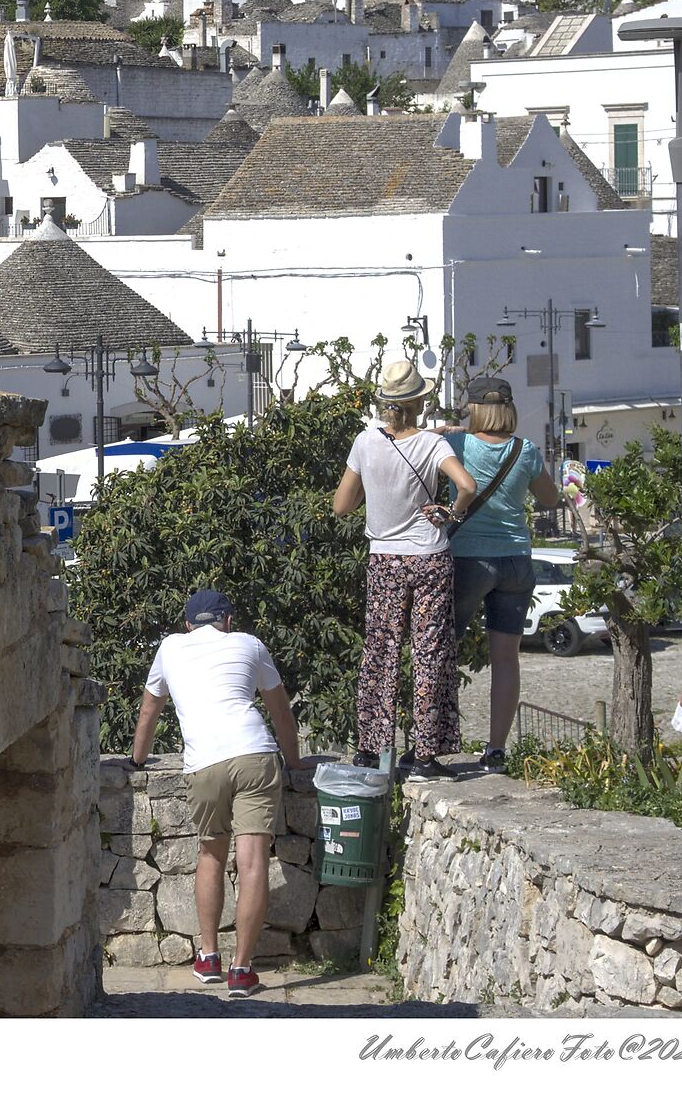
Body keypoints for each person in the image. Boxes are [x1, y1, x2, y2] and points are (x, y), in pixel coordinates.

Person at [130, 588, 305, 1001]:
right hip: (254, 754)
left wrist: (137, 759)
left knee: (210, 854)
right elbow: (280, 711)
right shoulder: (249, 644)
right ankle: (242, 970)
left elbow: (149, 709)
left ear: (188, 625)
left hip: (204, 763)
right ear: (228, 621)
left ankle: (208, 958)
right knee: (253, 863)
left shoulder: (170, 647)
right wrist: (295, 762)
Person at [333, 358, 476, 775]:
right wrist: (451, 512)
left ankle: (371, 747)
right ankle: (427, 754)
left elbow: (341, 506)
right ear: (419, 402)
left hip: (385, 559)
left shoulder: (365, 443)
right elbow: (467, 486)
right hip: (430, 556)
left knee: (382, 649)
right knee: (431, 652)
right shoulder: (432, 445)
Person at [441, 376, 556, 767]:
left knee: (442, 652)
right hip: (516, 560)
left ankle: (432, 741)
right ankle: (495, 750)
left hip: (468, 559)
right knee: (507, 659)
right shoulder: (526, 450)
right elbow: (550, 498)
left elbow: (422, 443)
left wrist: (448, 429)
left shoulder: (457, 445)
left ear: (474, 409)